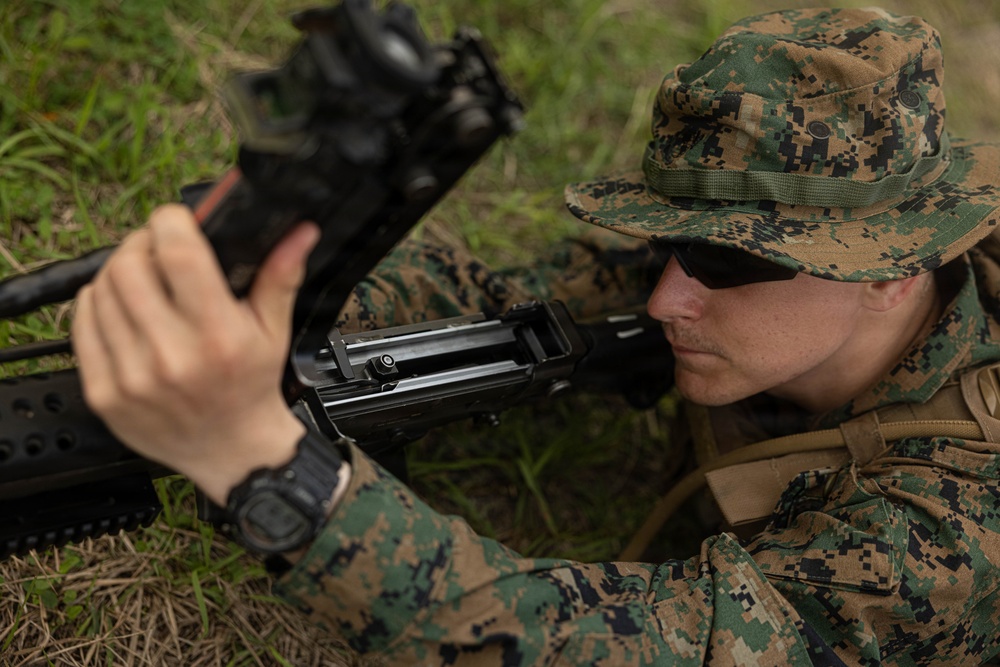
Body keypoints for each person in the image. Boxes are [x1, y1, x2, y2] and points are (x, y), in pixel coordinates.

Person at [70, 7, 1000, 665]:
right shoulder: (778, 296)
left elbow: (619, 642)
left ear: (890, 270)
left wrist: (279, 473)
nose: (666, 296)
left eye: (725, 261)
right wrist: (284, 315)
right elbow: (503, 293)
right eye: (670, 244)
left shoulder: (944, 538)